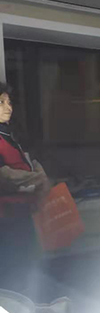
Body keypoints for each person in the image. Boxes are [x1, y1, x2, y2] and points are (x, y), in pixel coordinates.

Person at [0, 83, 50, 291]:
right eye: (1, 102)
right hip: (6, 218)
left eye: (9, 102)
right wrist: (37, 180)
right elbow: (5, 177)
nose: (8, 107)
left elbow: (30, 162)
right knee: (11, 271)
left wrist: (39, 178)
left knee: (28, 266)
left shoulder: (12, 135)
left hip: (23, 213)